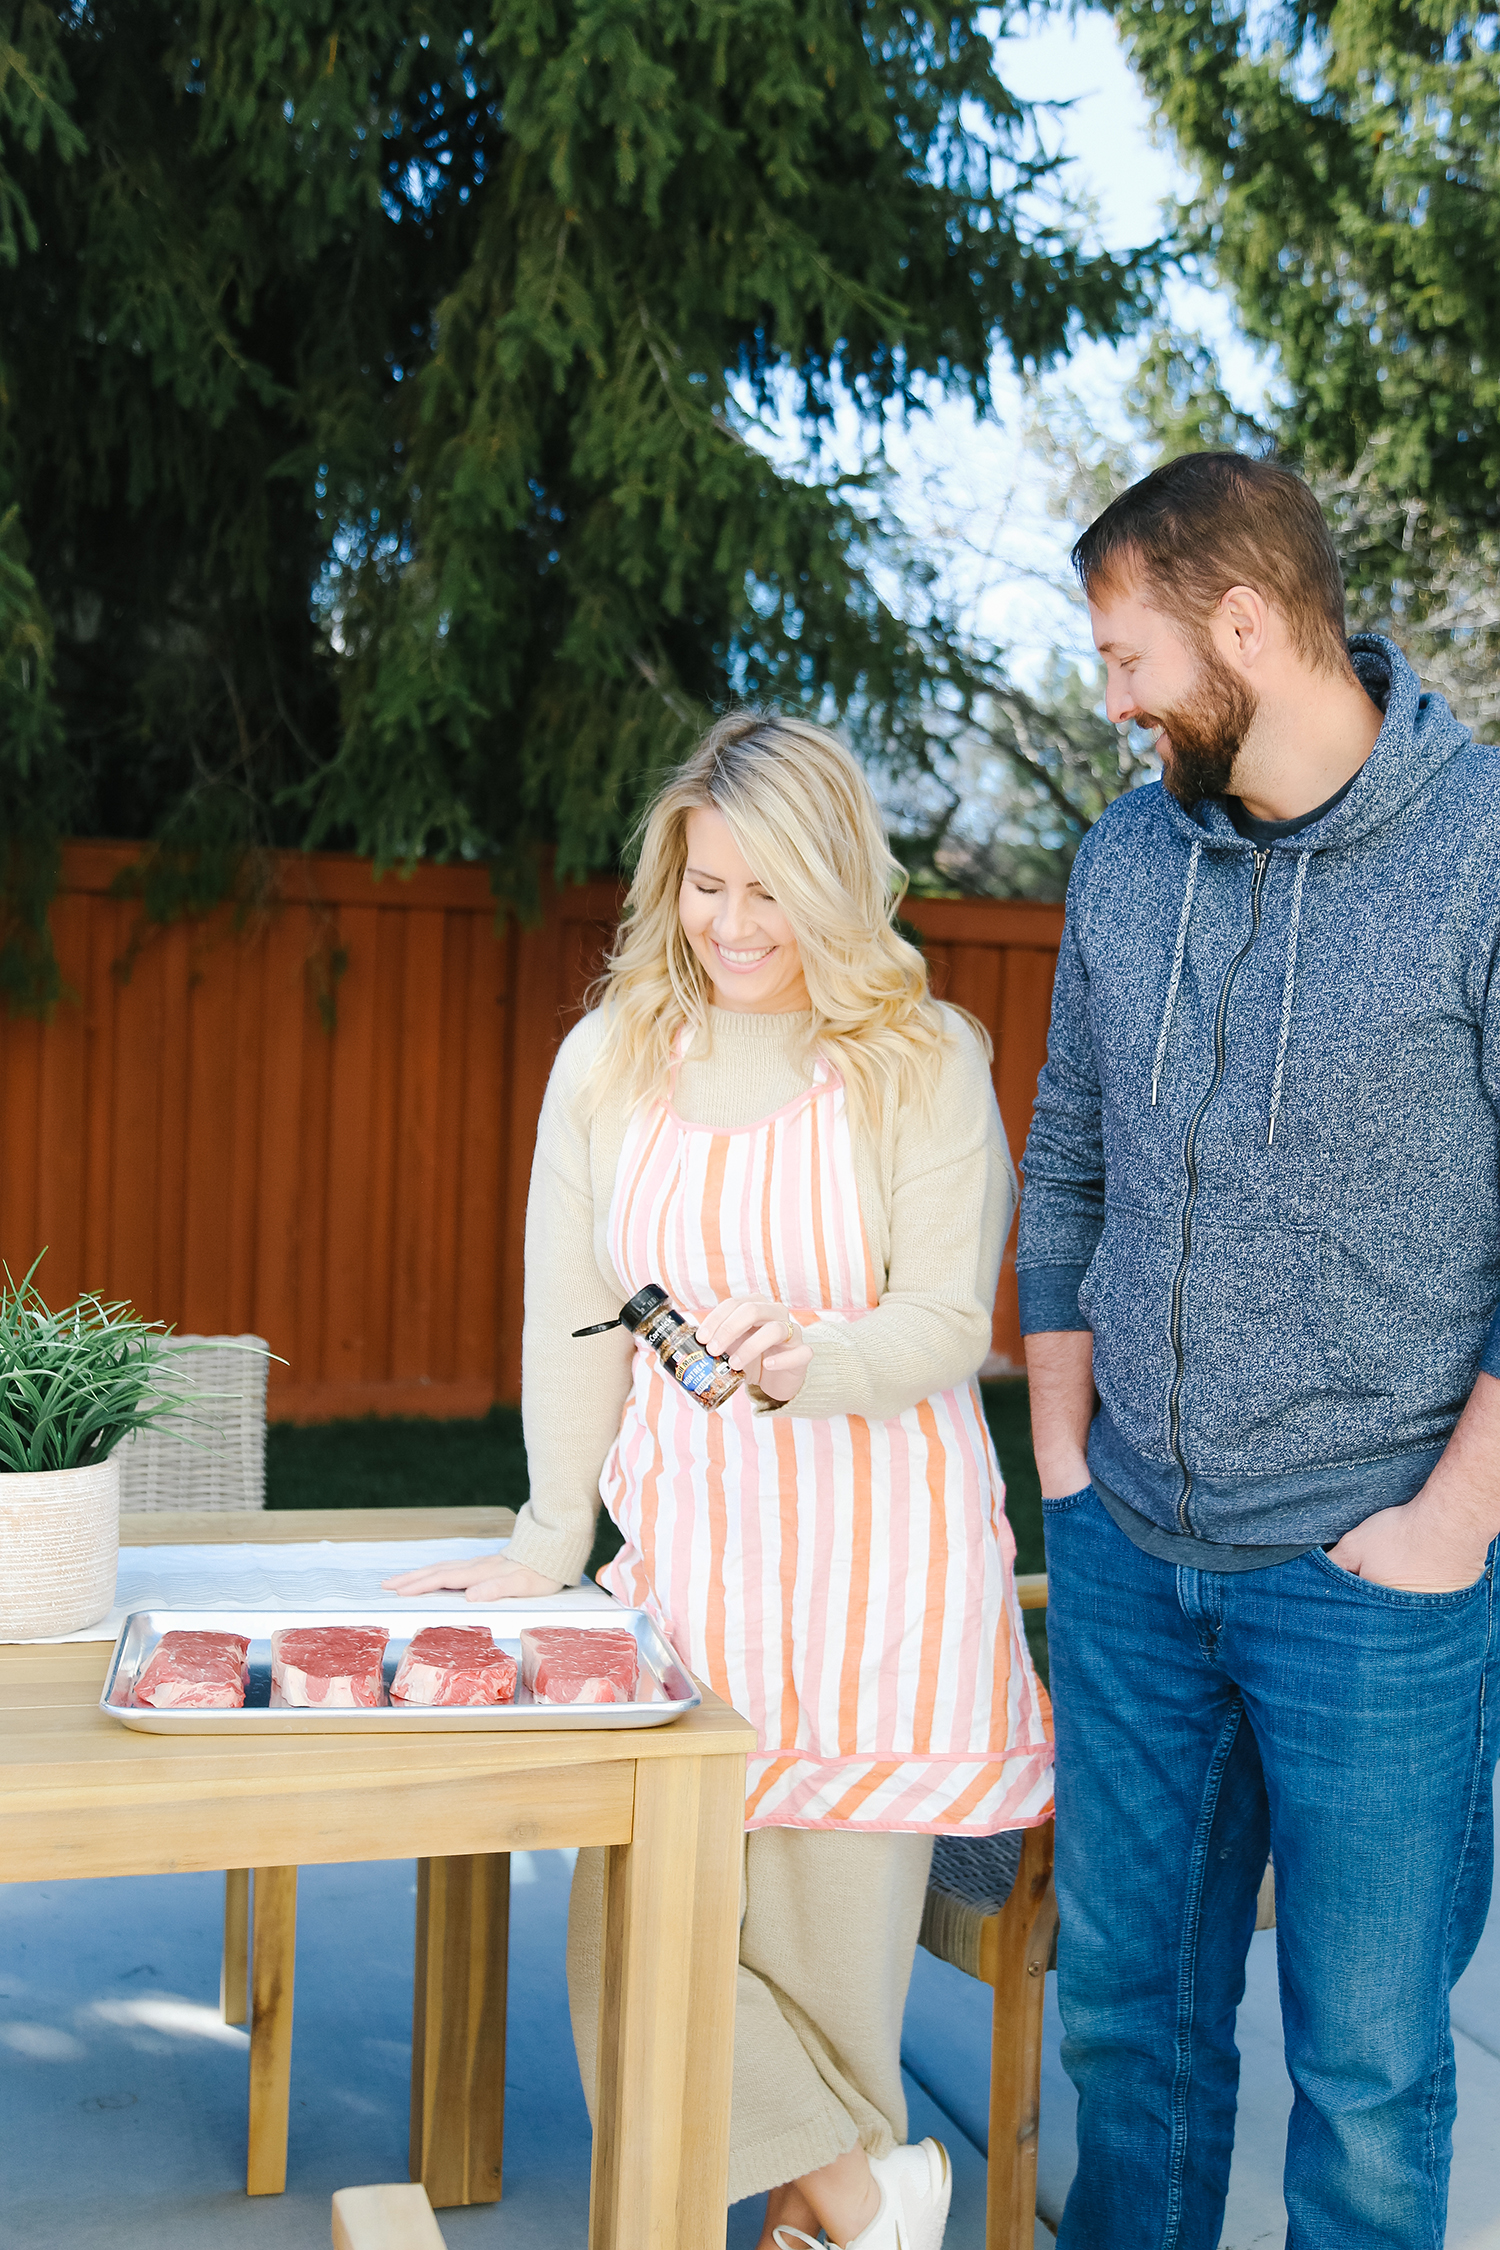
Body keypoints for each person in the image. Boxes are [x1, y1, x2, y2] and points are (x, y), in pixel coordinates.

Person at [388, 712, 1051, 2250]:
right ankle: (869, 2192)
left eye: (769, 890)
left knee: (828, 1994)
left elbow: (953, 1318)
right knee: (631, 1950)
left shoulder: (920, 1059)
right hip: (688, 1578)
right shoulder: (612, 1058)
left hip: (881, 1581)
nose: (735, 925)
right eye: (705, 886)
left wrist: (807, 1358)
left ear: (838, 878)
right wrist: (550, 1537)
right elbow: (574, 1318)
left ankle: (830, 2214)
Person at [1018, 450, 1500, 2248]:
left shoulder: (1481, 853)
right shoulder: (1128, 854)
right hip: (1133, 1553)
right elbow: (1064, 1153)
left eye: (1131, 655)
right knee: (1126, 2027)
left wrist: (1459, 1511)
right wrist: (1065, 1455)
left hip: (1372, 1578)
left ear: (1243, 624)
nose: (1117, 695)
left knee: (1369, 2073)